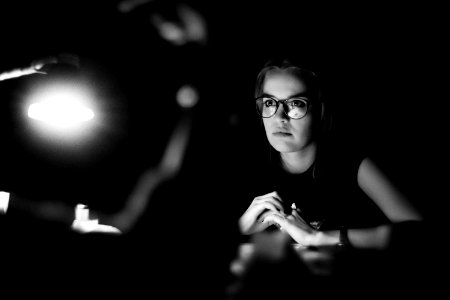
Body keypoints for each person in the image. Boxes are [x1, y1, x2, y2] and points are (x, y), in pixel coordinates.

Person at [227, 58, 431, 298]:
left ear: (321, 109)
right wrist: (240, 228)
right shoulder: (242, 167)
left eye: (296, 103)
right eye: (269, 102)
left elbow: (420, 235)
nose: (280, 116)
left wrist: (318, 237)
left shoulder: (353, 164)